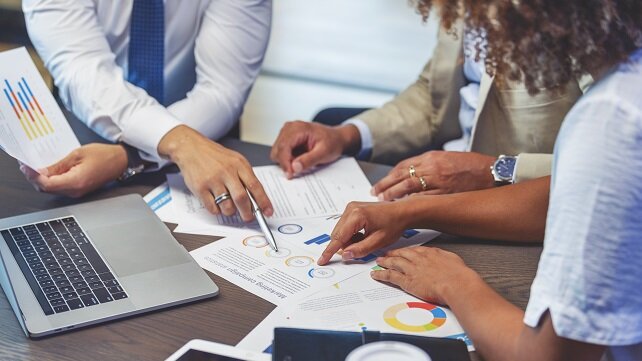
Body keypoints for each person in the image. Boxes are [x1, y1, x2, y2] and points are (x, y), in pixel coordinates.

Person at [324, 0, 642, 360]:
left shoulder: (610, 120)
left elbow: (544, 356)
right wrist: (416, 210)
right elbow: (554, 196)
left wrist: (452, 282)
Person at [271, 14, 587, 199]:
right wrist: (347, 135)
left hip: (525, 206)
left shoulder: (595, 18)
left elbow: (626, 166)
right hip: (448, 190)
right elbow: (433, 96)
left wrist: (494, 170)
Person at [19, 0, 273, 222]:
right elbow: (84, 72)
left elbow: (222, 88)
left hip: (203, 137)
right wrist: (180, 141)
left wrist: (127, 158)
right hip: (87, 138)